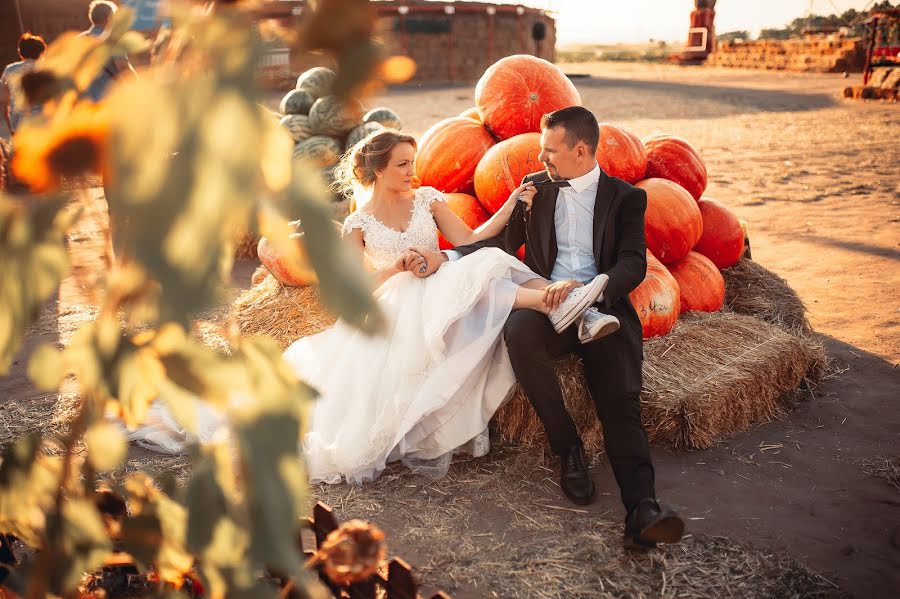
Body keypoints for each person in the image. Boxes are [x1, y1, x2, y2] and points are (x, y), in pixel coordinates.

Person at [123, 130, 618, 484]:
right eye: (403, 163)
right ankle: (565, 300)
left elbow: (471, 239)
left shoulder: (427, 199)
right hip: (398, 300)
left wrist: (513, 203)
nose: (412, 170)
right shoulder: (358, 223)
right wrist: (401, 265)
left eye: (413, 161)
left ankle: (562, 300)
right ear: (378, 171)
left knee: (482, 260)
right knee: (468, 273)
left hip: (439, 280)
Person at [414, 107, 686, 550]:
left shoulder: (624, 198)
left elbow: (633, 263)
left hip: (603, 307)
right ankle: (569, 451)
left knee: (619, 401)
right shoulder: (535, 190)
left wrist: (595, 291)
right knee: (518, 331)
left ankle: (643, 508)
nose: (540, 161)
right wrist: (443, 259)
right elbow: (497, 246)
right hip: (547, 304)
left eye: (549, 152)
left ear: (581, 151)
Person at [78, 1, 136, 102]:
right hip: (105, 101)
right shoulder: (112, 41)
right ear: (109, 18)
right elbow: (123, 68)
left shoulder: (79, 40)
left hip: (81, 103)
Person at [1, 33, 47, 135]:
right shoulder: (48, 69)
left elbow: (4, 102)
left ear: (20, 52)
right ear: (42, 52)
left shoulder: (10, 70)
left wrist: (11, 128)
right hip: (45, 126)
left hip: (19, 126)